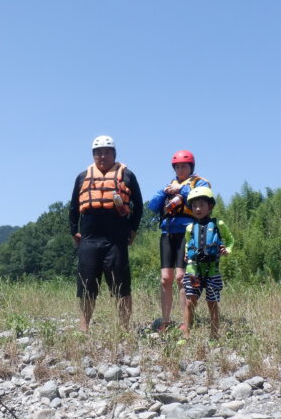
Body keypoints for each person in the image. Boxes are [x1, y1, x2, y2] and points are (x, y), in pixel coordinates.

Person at [68, 136, 143, 332]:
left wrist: (133, 230)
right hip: (90, 239)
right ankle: (84, 327)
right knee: (86, 286)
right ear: (93, 155)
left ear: (114, 154)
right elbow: (74, 208)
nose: (102, 155)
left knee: (122, 286)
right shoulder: (82, 177)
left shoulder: (127, 176)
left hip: (116, 239)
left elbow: (139, 206)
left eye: (107, 151)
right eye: (98, 152)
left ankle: (124, 328)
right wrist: (73, 231)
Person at [147, 150, 210, 332]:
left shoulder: (200, 182)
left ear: (191, 167)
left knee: (182, 277)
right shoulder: (169, 186)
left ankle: (186, 321)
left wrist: (181, 190)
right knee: (166, 278)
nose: (181, 169)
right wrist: (163, 193)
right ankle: (165, 321)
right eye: (178, 166)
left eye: (184, 166)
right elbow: (152, 206)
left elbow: (203, 195)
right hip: (167, 233)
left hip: (188, 233)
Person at [181, 187, 234, 339]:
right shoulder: (190, 228)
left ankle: (214, 335)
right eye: (194, 205)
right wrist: (186, 254)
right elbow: (187, 244)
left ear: (210, 206)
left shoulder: (219, 224)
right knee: (190, 301)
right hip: (193, 270)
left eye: (201, 205)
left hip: (211, 271)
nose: (197, 208)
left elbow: (230, 240)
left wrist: (227, 250)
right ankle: (186, 334)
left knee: (212, 302)